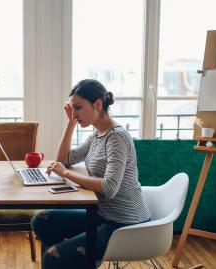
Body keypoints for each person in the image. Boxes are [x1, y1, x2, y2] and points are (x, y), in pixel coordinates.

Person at [31, 79, 151, 268]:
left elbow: (109, 188)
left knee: (52, 258)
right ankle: (80, 259)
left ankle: (73, 257)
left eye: (78, 108)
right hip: (102, 214)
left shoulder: (117, 137)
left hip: (124, 225)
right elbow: (63, 160)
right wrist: (71, 123)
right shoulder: (97, 135)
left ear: (98, 104)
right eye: (72, 109)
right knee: (42, 220)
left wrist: (67, 174)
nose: (75, 114)